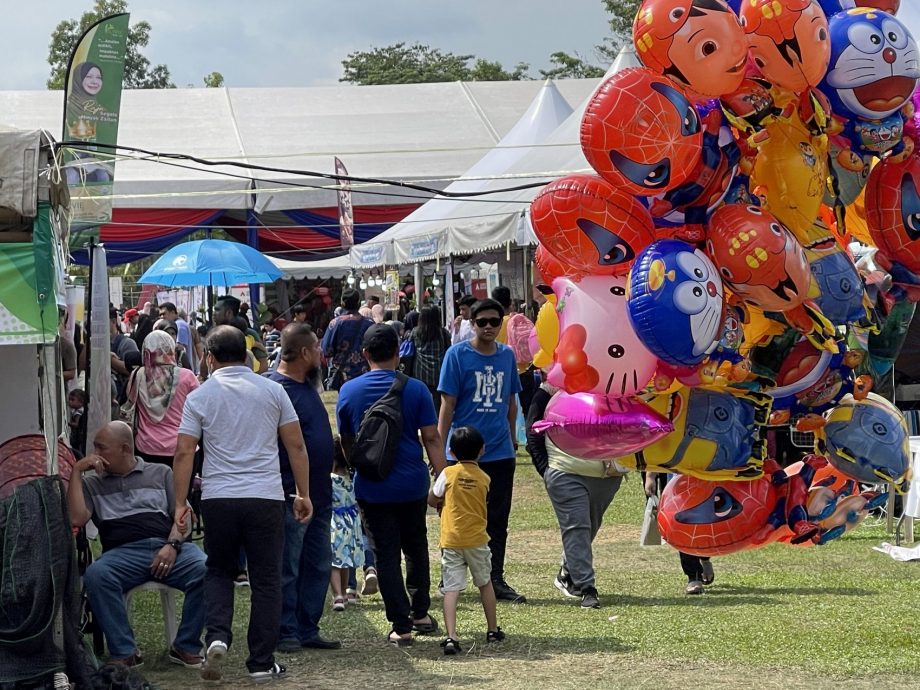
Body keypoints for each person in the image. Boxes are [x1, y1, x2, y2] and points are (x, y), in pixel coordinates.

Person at [172, 326, 313, 683]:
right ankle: (261, 662)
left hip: (219, 497)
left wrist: (179, 502)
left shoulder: (200, 396)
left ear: (209, 356)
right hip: (265, 495)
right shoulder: (273, 390)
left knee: (219, 570)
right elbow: (296, 446)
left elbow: (185, 451)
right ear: (247, 355)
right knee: (266, 579)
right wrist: (303, 492)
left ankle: (217, 635)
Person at [336, 324, 448, 646]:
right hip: (411, 484)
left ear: (365, 354)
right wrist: (441, 482)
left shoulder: (349, 391)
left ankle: (401, 625)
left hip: (373, 486)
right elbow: (431, 437)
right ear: (398, 353)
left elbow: (346, 440)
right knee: (415, 547)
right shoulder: (415, 390)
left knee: (385, 554)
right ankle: (421, 613)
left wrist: (357, 466)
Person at [66, 421, 207, 669]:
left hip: (167, 545)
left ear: (124, 449)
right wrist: (77, 471)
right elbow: (76, 518)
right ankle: (125, 651)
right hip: (122, 554)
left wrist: (173, 545)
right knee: (97, 575)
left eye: (101, 448)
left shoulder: (160, 473)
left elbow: (181, 515)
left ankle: (185, 645)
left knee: (208, 569)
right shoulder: (91, 483)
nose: (95, 455)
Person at [438, 298, 525, 603]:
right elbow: (447, 405)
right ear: (471, 323)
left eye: (494, 321)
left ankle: (494, 578)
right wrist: (440, 449)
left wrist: (513, 438)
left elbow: (511, 402)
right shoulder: (457, 356)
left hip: (499, 451)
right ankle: (450, 578)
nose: (488, 327)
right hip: (461, 452)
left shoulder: (507, 356)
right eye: (482, 322)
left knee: (497, 518)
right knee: (457, 517)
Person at [266, 323, 341, 653]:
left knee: (318, 564)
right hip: (291, 494)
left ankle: (308, 625)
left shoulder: (307, 384)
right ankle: (287, 629)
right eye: (317, 349)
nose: (321, 355)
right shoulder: (274, 388)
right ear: (305, 352)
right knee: (289, 566)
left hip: (320, 493)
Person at [527, 382, 623, 609]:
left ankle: (568, 573)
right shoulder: (551, 387)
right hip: (566, 471)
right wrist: (546, 468)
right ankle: (587, 588)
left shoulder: (621, 380)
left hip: (607, 473)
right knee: (577, 528)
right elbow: (534, 427)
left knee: (588, 528)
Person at [429, 427, 505, 655]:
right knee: (484, 583)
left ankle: (451, 636)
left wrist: (440, 502)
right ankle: (492, 629)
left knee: (451, 589)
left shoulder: (448, 474)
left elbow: (433, 498)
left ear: (451, 451)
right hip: (477, 540)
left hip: (451, 539)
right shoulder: (485, 478)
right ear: (482, 450)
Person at [124, 331, 199, 468]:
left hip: (146, 447)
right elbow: (199, 410)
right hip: (180, 447)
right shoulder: (187, 377)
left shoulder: (137, 375)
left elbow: (130, 400)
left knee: (151, 489)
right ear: (171, 349)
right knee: (179, 489)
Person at [644, 473, 715, 595]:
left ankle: (704, 556)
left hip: (701, 473)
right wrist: (650, 476)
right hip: (673, 480)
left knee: (703, 520)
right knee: (681, 526)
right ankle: (694, 576)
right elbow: (658, 453)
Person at [329, 439, 364, 612]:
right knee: (345, 561)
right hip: (352, 523)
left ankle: (337, 595)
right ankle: (344, 592)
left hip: (335, 522)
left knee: (334, 562)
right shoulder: (352, 477)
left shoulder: (330, 480)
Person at [492, 286, 537, 418]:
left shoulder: (494, 324)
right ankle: (527, 437)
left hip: (502, 373)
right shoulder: (518, 321)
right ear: (510, 304)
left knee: (505, 411)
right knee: (527, 411)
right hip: (524, 370)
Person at [321, 287, 373, 391]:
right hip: (365, 375)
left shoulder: (335, 323)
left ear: (342, 303)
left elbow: (326, 350)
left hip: (343, 377)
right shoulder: (369, 323)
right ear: (359, 303)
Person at [404, 305, 451, 413]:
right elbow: (449, 351)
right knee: (437, 406)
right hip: (439, 376)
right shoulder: (443, 333)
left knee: (420, 406)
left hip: (419, 375)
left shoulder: (416, 332)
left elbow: (409, 350)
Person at [110, 307, 140, 414]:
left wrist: (107, 358)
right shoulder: (92, 344)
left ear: (113, 321)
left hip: (119, 402)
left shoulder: (126, 343)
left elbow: (132, 370)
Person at [68, 388, 87, 457]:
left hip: (77, 436)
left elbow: (76, 424)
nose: (70, 402)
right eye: (69, 399)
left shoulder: (78, 412)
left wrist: (68, 423)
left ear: (81, 402)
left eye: (73, 400)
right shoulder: (78, 410)